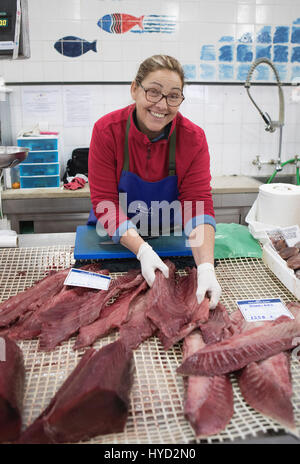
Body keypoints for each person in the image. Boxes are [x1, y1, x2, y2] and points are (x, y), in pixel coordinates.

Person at [88, 54, 221, 309]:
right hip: (115, 242)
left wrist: (205, 267)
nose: (162, 104)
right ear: (135, 89)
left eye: (173, 96)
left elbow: (197, 203)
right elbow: (105, 202)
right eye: (153, 92)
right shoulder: (107, 130)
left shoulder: (192, 138)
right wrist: (142, 250)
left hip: (168, 238)